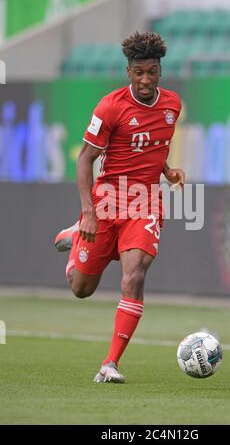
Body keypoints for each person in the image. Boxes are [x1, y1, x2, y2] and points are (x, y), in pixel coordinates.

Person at [54, 31, 185, 383]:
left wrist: (168, 171)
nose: (146, 80)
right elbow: (85, 160)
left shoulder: (172, 105)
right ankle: (76, 237)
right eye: (139, 72)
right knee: (82, 290)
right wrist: (89, 213)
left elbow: (154, 146)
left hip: (145, 204)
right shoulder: (110, 107)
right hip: (107, 203)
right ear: (129, 72)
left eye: (152, 72)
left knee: (135, 276)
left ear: (160, 71)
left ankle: (109, 364)